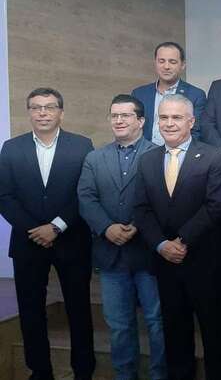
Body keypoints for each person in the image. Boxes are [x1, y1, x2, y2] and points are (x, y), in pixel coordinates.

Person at [134, 94, 221, 379]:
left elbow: (215, 205)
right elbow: (141, 209)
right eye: (164, 117)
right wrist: (162, 244)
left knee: (215, 334)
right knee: (175, 334)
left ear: (191, 121)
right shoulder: (148, 159)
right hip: (166, 263)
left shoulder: (213, 155)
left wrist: (182, 240)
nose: (169, 123)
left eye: (176, 117)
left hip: (205, 262)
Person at [0, 88, 95, 380]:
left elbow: (85, 193)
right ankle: (40, 371)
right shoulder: (11, 148)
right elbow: (5, 195)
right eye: (36, 107)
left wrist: (56, 226)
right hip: (28, 243)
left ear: (61, 113)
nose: (42, 112)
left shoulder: (82, 146)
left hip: (72, 241)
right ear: (28, 112)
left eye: (49, 107)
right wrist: (35, 229)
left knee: (79, 311)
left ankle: (83, 371)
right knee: (30, 312)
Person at [77, 94, 166, 380]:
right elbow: (86, 197)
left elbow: (162, 199)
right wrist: (107, 228)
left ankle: (158, 375)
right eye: (114, 115)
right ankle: (124, 375)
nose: (118, 120)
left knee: (156, 321)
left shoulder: (158, 154)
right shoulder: (94, 157)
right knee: (118, 324)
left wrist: (138, 225)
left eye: (125, 115)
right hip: (110, 254)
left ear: (141, 120)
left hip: (148, 252)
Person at [132, 41, 206, 144]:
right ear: (155, 63)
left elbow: (196, 133)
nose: (166, 66)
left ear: (183, 65)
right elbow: (133, 129)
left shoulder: (195, 95)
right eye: (161, 61)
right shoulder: (139, 94)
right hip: (145, 155)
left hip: (179, 155)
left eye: (172, 62)